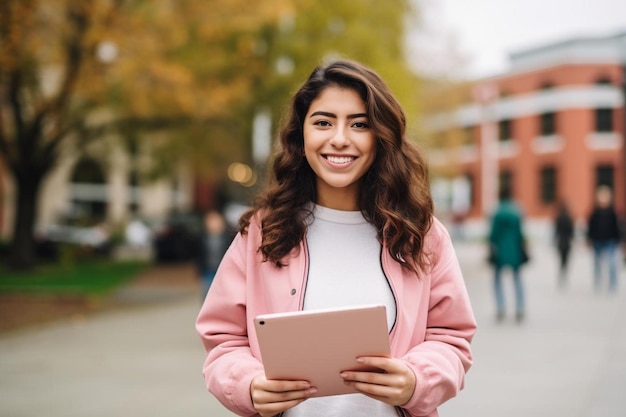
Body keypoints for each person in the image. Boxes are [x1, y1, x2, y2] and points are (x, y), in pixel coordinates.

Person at [195, 59, 476, 417]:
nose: (339, 139)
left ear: (381, 136)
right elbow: (223, 339)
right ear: (302, 136)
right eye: (323, 122)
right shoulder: (262, 233)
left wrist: (417, 379)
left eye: (359, 124)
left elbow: (451, 338)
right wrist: (247, 384)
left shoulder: (422, 235)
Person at [488, 187, 528, 323]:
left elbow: (493, 235)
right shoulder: (516, 212)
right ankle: (520, 307)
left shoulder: (497, 213)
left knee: (497, 280)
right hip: (515, 250)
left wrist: (491, 247)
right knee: (517, 279)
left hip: (500, 251)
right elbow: (520, 233)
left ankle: (501, 307)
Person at [586, 185, 621, 292]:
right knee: (597, 264)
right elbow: (591, 227)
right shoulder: (595, 213)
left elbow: (617, 227)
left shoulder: (612, 213)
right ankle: (598, 282)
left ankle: (613, 284)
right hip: (598, 240)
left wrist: (619, 240)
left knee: (612, 264)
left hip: (610, 240)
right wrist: (589, 238)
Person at [195, 209, 232, 300]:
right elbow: (199, 254)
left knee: (223, 293)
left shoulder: (227, 237)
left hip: (222, 270)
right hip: (208, 270)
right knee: (207, 292)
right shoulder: (202, 238)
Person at [554, 202, 575, 287]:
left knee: (561, 260)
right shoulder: (569, 219)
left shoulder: (558, 218)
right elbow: (571, 232)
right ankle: (564, 274)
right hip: (567, 242)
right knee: (566, 260)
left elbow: (556, 231)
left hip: (560, 242)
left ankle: (561, 275)